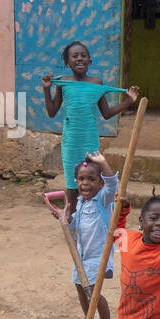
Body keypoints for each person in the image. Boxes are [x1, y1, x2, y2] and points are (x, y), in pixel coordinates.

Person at [41, 41, 138, 214]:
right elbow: (52, 111)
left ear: (90, 61)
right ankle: (72, 224)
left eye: (83, 55)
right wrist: (46, 90)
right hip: (70, 143)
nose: (80, 59)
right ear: (67, 63)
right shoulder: (63, 83)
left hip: (89, 142)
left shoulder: (96, 82)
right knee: (72, 185)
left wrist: (128, 101)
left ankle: (94, 219)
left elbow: (107, 113)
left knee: (93, 180)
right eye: (75, 56)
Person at [46, 152, 129, 319]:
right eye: (81, 179)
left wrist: (103, 162)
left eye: (92, 179)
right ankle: (89, 318)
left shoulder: (103, 200)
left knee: (92, 292)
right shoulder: (81, 203)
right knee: (80, 288)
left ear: (100, 183)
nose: (85, 183)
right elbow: (75, 227)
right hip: (81, 256)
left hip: (98, 257)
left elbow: (113, 184)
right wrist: (66, 218)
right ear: (76, 182)